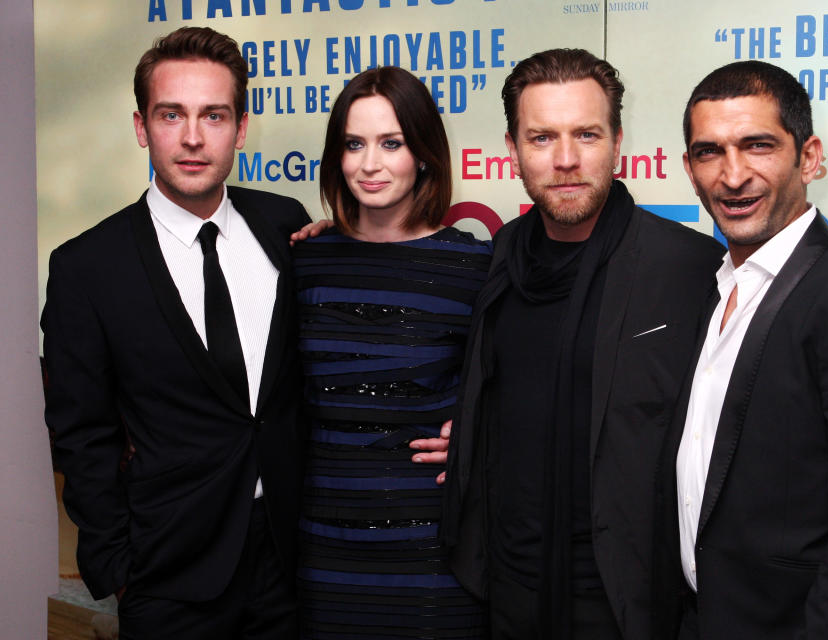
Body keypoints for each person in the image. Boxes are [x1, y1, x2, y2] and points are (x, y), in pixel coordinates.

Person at [442, 49, 724, 640]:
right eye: (542, 137)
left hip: (629, 601)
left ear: (618, 140)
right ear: (512, 146)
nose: (566, 160)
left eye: (586, 135)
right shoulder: (496, 258)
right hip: (508, 588)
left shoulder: (691, 268)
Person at [42, 27, 310, 638]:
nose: (192, 137)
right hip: (169, 577)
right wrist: (119, 566)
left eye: (214, 115)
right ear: (142, 127)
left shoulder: (284, 224)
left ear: (241, 129)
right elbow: (82, 433)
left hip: (291, 564)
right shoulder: (86, 267)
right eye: (172, 115)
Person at [655, 60, 828, 640]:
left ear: (807, 157)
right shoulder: (709, 287)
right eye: (709, 152)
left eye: (758, 146)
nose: (733, 176)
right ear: (689, 168)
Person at [293, 66, 489, 638]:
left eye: (392, 143)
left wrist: (478, 435)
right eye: (354, 144)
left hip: (432, 555)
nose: (370, 164)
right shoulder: (305, 260)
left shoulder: (475, 266)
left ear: (424, 153)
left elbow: (522, 385)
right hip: (324, 552)